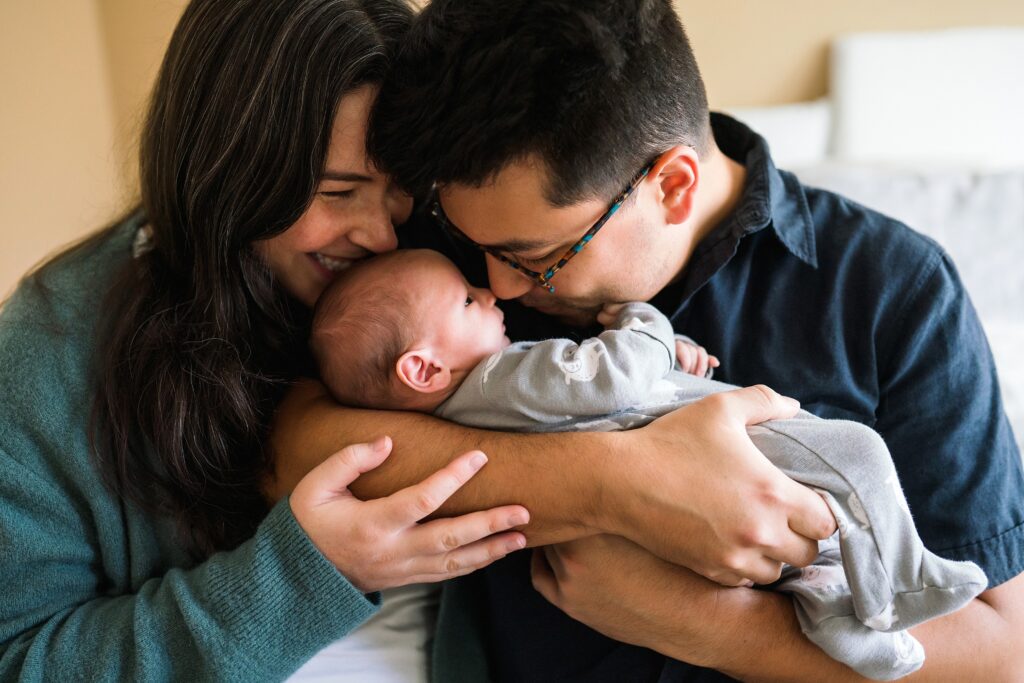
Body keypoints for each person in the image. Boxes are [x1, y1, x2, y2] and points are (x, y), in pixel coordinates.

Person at [0, 0, 838, 680]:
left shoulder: (456, 252)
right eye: (336, 192)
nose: (378, 233)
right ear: (227, 173)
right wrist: (300, 576)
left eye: (399, 191)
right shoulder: (49, 353)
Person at [336, 0, 1021, 679]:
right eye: (471, 243)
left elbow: (1003, 653)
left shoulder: (892, 288)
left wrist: (709, 625)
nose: (501, 289)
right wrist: (615, 486)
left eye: (537, 255)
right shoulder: (439, 279)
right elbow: (302, 445)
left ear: (672, 184)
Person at [308, 247, 988, 679]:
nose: (493, 293)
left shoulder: (482, 402)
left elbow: (595, 389)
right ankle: (906, 579)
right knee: (858, 453)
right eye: (465, 299)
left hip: (685, 455)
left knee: (809, 569)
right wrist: (644, 321)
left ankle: (852, 629)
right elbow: (611, 379)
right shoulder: (498, 378)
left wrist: (668, 350)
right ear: (423, 367)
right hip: (731, 446)